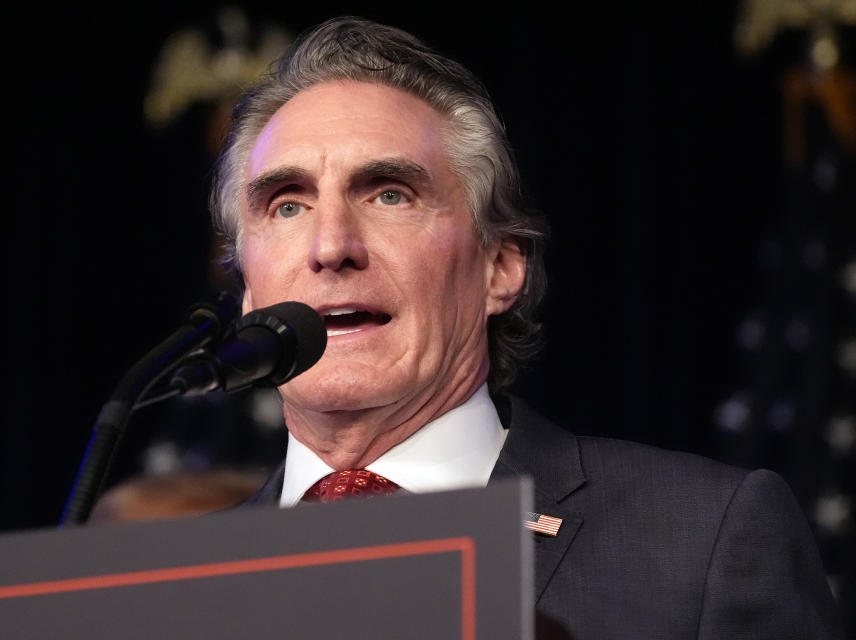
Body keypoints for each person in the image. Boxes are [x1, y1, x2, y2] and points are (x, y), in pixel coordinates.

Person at [208, 17, 843, 639]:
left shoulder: (704, 540)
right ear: (248, 291)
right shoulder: (179, 588)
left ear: (499, 268)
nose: (331, 245)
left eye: (389, 194)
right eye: (287, 204)